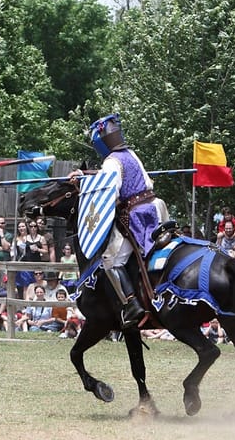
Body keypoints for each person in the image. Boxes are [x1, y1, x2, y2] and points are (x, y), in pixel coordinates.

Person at [70, 113, 168, 329]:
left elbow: (109, 194)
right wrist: (86, 174)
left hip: (136, 215)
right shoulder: (130, 154)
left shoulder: (112, 162)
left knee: (111, 260)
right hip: (156, 208)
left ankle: (132, 303)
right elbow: (109, 176)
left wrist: (82, 184)